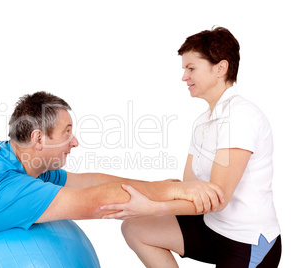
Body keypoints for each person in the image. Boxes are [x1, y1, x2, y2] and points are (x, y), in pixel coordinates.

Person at [0, 91, 224, 267]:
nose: (75, 142)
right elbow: (98, 201)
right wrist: (179, 193)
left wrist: (168, 186)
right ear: (38, 139)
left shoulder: (16, 158)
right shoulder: (8, 190)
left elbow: (87, 181)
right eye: (67, 133)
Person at [101, 27, 282, 267]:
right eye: (184, 69)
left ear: (221, 68)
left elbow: (218, 199)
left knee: (146, 216)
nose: (184, 77)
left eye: (191, 68)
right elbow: (189, 188)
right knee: (136, 228)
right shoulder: (202, 123)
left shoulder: (241, 116)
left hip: (247, 241)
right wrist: (153, 197)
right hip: (211, 228)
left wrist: (153, 207)